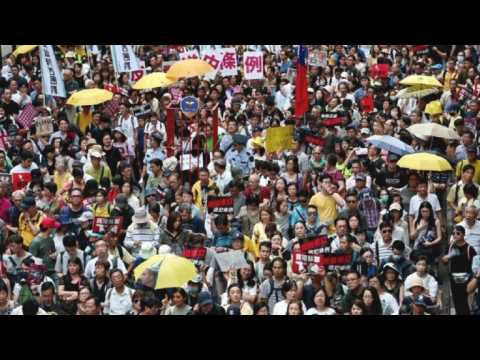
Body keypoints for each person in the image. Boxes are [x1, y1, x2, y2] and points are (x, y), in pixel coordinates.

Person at [442, 225, 476, 315]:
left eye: (458, 233)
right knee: (456, 301)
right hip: (454, 278)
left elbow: (476, 264)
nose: (455, 235)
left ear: (463, 235)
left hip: (466, 279)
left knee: (465, 302)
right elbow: (445, 262)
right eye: (453, 233)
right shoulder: (450, 246)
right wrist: (445, 259)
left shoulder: (469, 249)